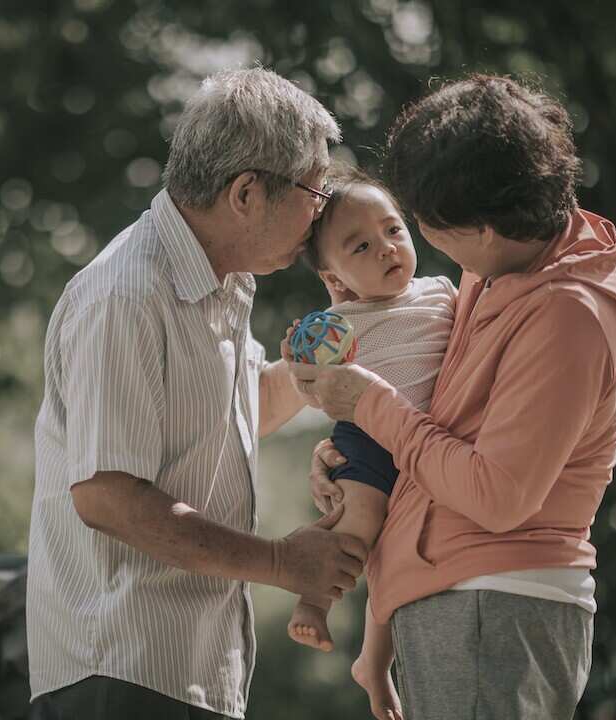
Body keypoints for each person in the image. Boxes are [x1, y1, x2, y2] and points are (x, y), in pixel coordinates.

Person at [290, 74, 616, 719]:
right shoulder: (501, 269)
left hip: (496, 600)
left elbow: (497, 495)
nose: (417, 244)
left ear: (483, 229)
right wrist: (355, 446)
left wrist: (368, 403)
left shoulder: (568, 316)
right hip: (461, 596)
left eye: (421, 224)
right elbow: (434, 429)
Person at [26, 67, 367, 720]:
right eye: (314, 192)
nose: (321, 212)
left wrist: (349, 326)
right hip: (119, 681)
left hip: (187, 680)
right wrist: (280, 563)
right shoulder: (126, 294)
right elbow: (107, 497)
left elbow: (251, 411)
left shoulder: (220, 283)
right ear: (246, 193)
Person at [279, 166, 454, 720]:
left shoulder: (444, 292)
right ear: (334, 277)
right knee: (363, 521)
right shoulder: (339, 323)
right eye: (361, 245)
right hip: (371, 435)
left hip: (428, 431)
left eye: (393, 230)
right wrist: (297, 360)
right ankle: (318, 596)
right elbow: (316, 394)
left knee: (398, 542)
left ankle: (373, 663)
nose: (386, 249)